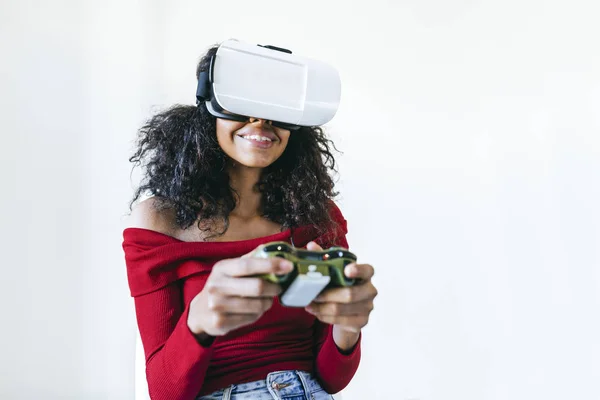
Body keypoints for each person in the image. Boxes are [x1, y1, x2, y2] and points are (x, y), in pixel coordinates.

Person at [122, 43, 379, 400]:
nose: (261, 122)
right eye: (242, 104)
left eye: (276, 108)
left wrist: (348, 327)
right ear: (209, 104)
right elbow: (165, 392)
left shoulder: (318, 216)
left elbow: (331, 378)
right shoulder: (159, 220)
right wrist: (198, 321)